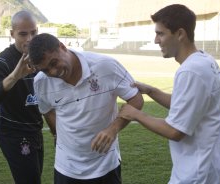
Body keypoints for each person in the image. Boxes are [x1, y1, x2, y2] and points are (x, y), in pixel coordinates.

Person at [118, 4, 220, 184]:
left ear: (180, 34)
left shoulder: (191, 71)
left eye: (160, 33)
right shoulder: (204, 60)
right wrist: (151, 91)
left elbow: (175, 131)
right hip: (211, 165)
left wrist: (136, 114)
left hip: (198, 173)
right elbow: (190, 106)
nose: (156, 40)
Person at [28, 33, 143, 184]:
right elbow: (47, 110)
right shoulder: (41, 82)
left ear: (62, 47)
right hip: (66, 167)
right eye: (46, 70)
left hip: (105, 164)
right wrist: (57, 134)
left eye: (54, 63)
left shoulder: (105, 66)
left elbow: (136, 98)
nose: (53, 72)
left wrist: (113, 129)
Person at [0, 11, 55, 184]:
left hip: (34, 130)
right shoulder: (3, 62)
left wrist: (55, 130)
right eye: (23, 34)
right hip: (13, 132)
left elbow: (45, 100)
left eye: (33, 32)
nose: (29, 38)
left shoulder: (39, 58)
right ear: (12, 33)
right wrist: (14, 76)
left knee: (34, 176)